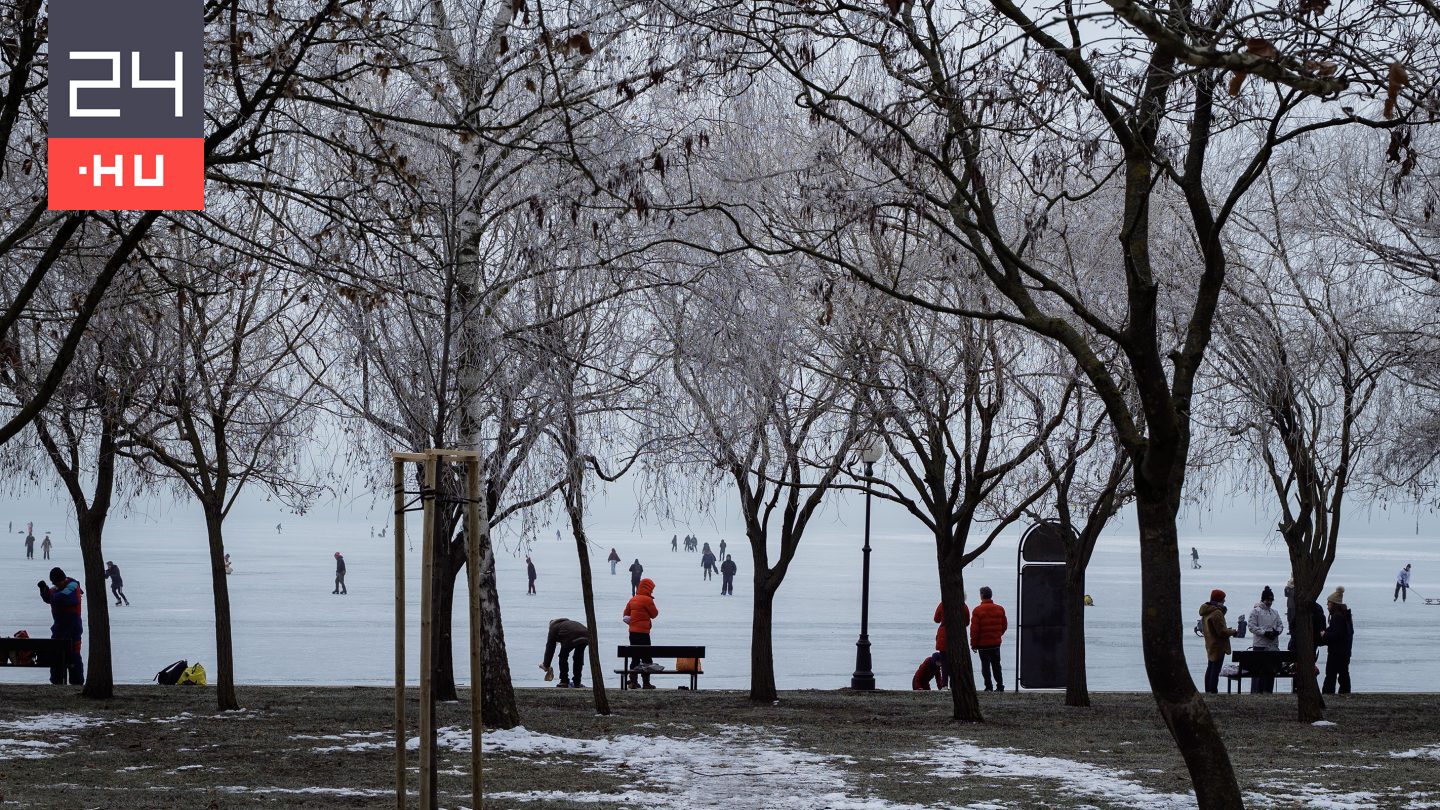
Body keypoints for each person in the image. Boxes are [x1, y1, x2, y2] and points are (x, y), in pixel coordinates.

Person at [37, 567, 84, 685]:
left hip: (73, 628)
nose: (56, 585)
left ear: (63, 579)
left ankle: (76, 682)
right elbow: (49, 597)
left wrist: (50, 595)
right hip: (58, 628)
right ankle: (56, 681)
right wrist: (44, 591)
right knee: (56, 654)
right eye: (54, 583)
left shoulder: (73, 586)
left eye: (57, 582)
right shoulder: (58, 588)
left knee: (73, 655)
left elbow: (62, 598)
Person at [1246, 586, 1285, 693]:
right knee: (1259, 670)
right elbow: (1251, 627)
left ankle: (1267, 691)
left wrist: (1277, 632)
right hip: (1260, 645)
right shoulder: (1255, 611)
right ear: (1263, 600)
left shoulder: (1275, 612)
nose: (1269, 602)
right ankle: (1257, 691)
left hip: (1272, 645)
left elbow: (1280, 625)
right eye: (1267, 600)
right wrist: (1264, 633)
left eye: (1271, 600)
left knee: (1270, 670)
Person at [623, 578, 660, 688]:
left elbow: (625, 615)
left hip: (633, 633)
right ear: (648, 588)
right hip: (644, 633)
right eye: (651, 589)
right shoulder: (647, 600)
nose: (652, 591)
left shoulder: (633, 599)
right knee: (646, 658)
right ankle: (646, 683)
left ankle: (633, 682)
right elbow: (654, 614)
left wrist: (633, 622)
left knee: (635, 657)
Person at [1200, 589, 1239, 694]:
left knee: (1210, 668)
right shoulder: (1217, 612)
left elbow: (1214, 629)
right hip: (1218, 645)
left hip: (1210, 643)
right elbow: (1221, 631)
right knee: (1215, 670)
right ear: (1219, 599)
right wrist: (1233, 632)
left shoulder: (1206, 611)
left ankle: (1208, 690)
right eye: (1223, 599)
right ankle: (1213, 691)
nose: (1224, 600)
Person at [969, 587, 1007, 692]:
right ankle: (1000, 685)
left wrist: (973, 644)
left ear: (981, 595)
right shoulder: (1000, 609)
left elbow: (974, 630)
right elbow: (1004, 626)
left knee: (985, 666)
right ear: (991, 595)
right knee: (996, 665)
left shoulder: (977, 610)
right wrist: (998, 635)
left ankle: (989, 686)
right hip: (996, 643)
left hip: (983, 644)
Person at [541, 618, 590, 688]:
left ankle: (564, 681)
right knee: (578, 657)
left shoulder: (553, 627)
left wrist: (546, 665)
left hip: (571, 635)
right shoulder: (566, 624)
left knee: (563, 656)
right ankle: (577, 682)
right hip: (586, 635)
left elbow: (550, 648)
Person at [1321, 588, 1354, 694]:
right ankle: (1345, 692)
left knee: (1331, 674)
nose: (1327, 605)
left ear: (1333, 604)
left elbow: (1336, 635)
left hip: (1336, 652)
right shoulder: (1346, 616)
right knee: (1344, 674)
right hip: (1345, 651)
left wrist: (1324, 634)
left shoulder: (1337, 617)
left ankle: (1328, 693)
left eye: (1329, 603)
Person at [934, 596, 969, 687]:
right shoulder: (963, 606)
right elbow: (967, 622)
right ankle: (956, 684)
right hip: (958, 636)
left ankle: (945, 685)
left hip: (944, 635)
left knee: (944, 662)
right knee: (956, 662)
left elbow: (936, 619)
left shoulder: (942, 605)